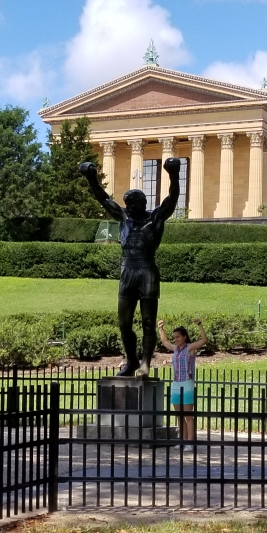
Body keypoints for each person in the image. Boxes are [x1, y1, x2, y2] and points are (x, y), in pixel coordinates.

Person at [79, 157, 181, 376]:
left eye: (133, 204)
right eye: (127, 204)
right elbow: (103, 199)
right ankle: (132, 361)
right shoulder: (124, 218)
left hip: (147, 271)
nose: (129, 207)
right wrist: (91, 179)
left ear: (143, 204)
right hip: (127, 272)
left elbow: (172, 198)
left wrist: (173, 174)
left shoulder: (155, 218)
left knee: (148, 322)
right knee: (124, 323)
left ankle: (145, 362)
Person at [158, 317, 207, 442]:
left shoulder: (190, 348)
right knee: (179, 416)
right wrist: (160, 329)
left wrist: (200, 325)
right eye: (174, 337)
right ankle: (182, 441)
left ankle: (190, 442)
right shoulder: (175, 349)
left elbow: (204, 340)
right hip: (176, 384)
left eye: (178, 337)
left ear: (184, 337)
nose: (176, 339)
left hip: (187, 383)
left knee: (188, 416)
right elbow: (164, 342)